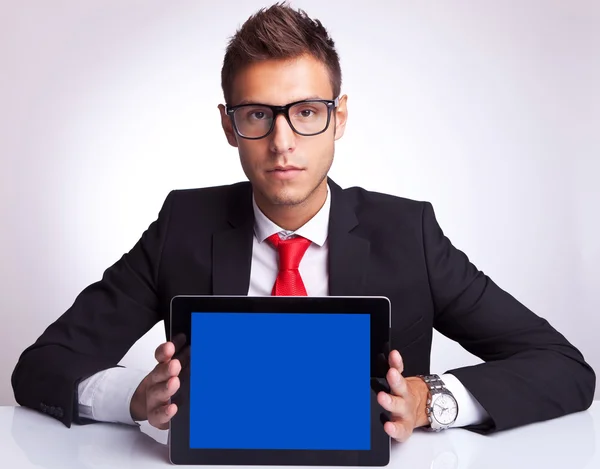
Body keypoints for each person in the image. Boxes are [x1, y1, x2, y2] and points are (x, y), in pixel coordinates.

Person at [12, 2, 595, 443]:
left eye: (307, 112)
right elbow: (40, 367)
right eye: (258, 115)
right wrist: (136, 397)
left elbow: (563, 368)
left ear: (339, 118)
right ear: (228, 126)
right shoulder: (183, 225)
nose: (283, 142)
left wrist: (427, 400)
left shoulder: (408, 233)